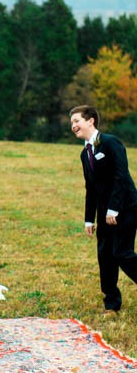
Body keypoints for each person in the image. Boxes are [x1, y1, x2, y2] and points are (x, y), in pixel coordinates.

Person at [70, 104, 137, 314]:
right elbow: (90, 188)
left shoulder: (110, 143)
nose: (73, 126)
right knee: (105, 256)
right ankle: (111, 304)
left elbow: (121, 177)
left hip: (125, 208)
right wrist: (89, 219)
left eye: (77, 121)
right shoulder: (84, 153)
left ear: (91, 121)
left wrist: (114, 209)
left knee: (122, 253)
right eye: (71, 123)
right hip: (103, 213)